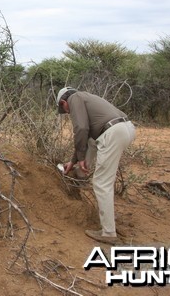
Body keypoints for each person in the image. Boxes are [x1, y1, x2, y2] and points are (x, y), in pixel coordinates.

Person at [56, 87, 136, 244]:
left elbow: (81, 128)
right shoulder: (87, 96)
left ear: (63, 102)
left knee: (101, 183)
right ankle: (79, 174)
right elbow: (88, 138)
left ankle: (108, 233)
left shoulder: (74, 98)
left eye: (64, 110)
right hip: (126, 128)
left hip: (113, 132)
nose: (67, 113)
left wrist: (80, 158)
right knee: (92, 143)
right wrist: (74, 161)